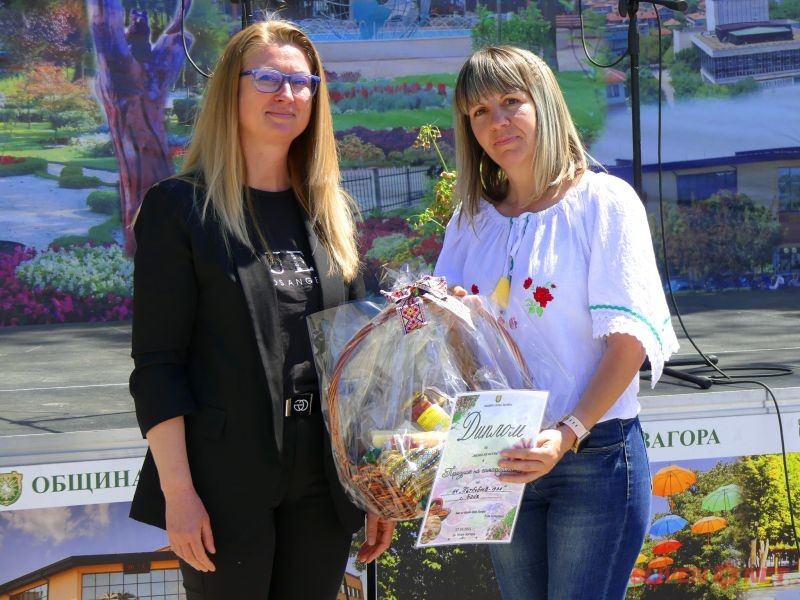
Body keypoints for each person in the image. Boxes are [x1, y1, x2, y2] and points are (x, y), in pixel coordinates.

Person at [128, 19, 393, 600]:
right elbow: (157, 366)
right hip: (222, 482)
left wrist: (372, 483)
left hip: (323, 480)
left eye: (302, 83)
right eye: (268, 78)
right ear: (232, 90)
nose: (287, 94)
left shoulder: (329, 215)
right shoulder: (180, 210)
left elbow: (357, 368)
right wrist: (178, 493)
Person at [434, 46, 679, 600]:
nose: (497, 122)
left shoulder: (604, 203)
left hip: (594, 458)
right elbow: (451, 344)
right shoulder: (470, 222)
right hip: (500, 451)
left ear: (544, 102)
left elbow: (629, 341)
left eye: (511, 102)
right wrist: (442, 323)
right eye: (479, 112)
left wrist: (567, 433)